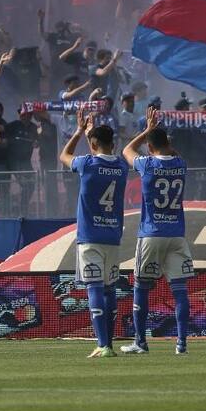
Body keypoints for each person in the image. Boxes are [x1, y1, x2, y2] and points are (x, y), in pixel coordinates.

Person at [122, 107, 193, 355]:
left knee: (141, 287)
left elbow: (126, 151)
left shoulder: (147, 164)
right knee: (180, 291)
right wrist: (161, 138)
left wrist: (146, 131)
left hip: (152, 234)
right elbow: (174, 154)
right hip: (177, 235)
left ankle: (140, 342)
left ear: (150, 148)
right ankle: (182, 344)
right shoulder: (181, 164)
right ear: (169, 145)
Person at [59, 112, 128, 358]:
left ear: (93, 144)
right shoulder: (121, 166)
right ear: (114, 144)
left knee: (94, 288)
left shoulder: (87, 163)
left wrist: (79, 131)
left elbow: (63, 156)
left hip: (89, 237)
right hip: (113, 238)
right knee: (110, 290)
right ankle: (107, 343)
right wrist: (91, 134)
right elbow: (103, 148)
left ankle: (102, 345)